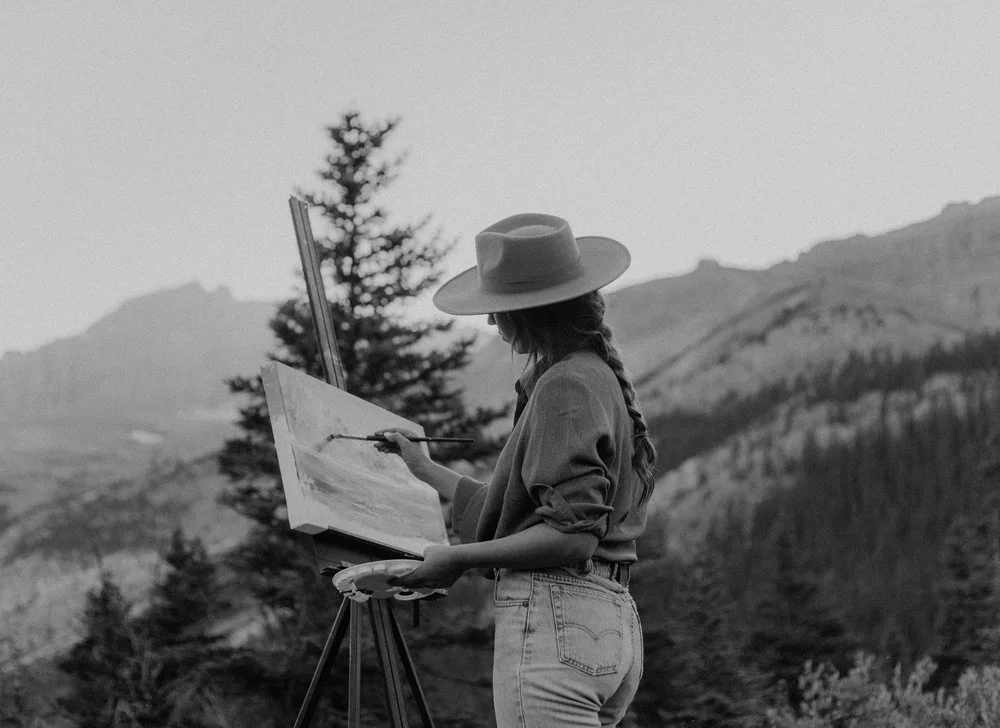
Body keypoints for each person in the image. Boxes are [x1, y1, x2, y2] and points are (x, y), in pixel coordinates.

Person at [380, 212, 656, 727]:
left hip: (559, 620)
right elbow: (530, 510)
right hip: (606, 625)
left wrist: (457, 559)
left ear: (531, 313)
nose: (492, 322)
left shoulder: (565, 386)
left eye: (500, 310)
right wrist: (426, 469)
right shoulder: (593, 376)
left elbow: (571, 538)